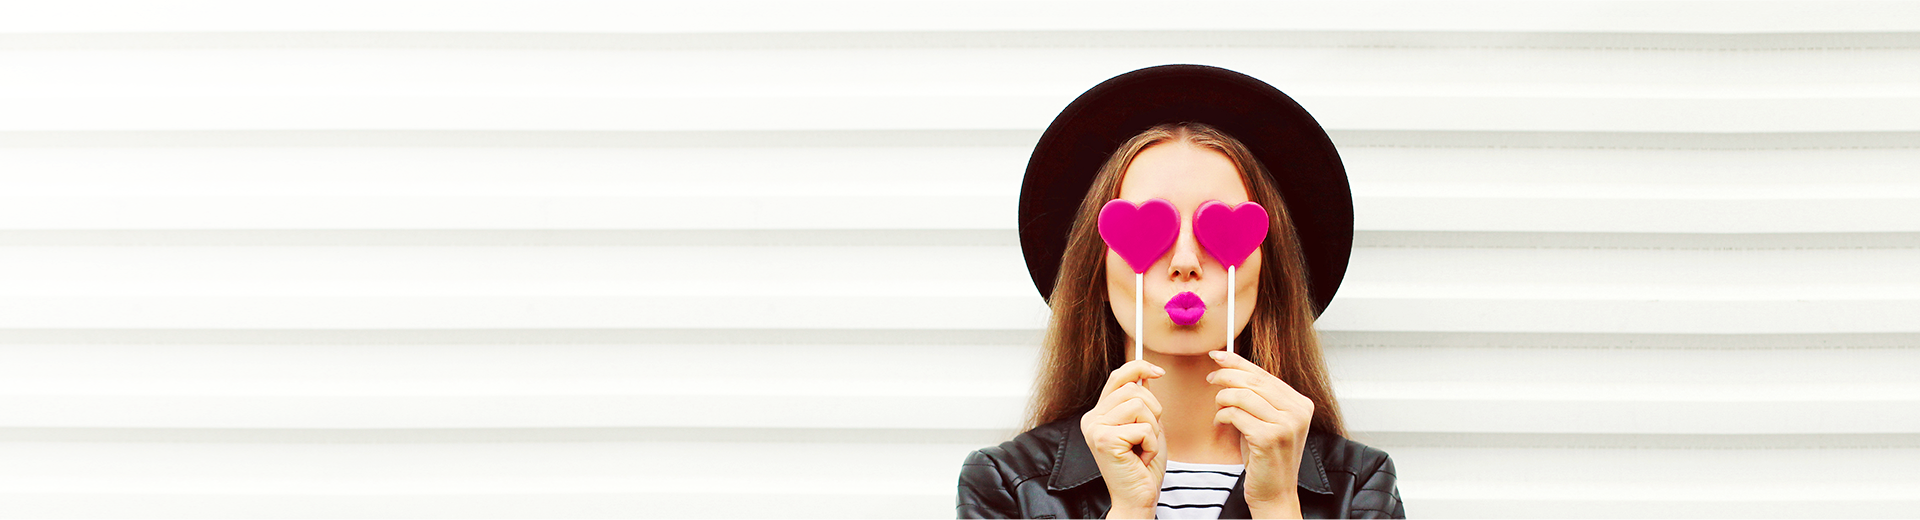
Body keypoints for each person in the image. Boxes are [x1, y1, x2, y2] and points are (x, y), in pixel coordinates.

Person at [956, 65, 1405, 519]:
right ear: (1096, 272)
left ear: (1269, 272)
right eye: (1151, 230)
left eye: (1218, 229)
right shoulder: (1004, 483)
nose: (1185, 262)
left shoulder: (1362, 485)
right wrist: (1129, 510)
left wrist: (1277, 505)